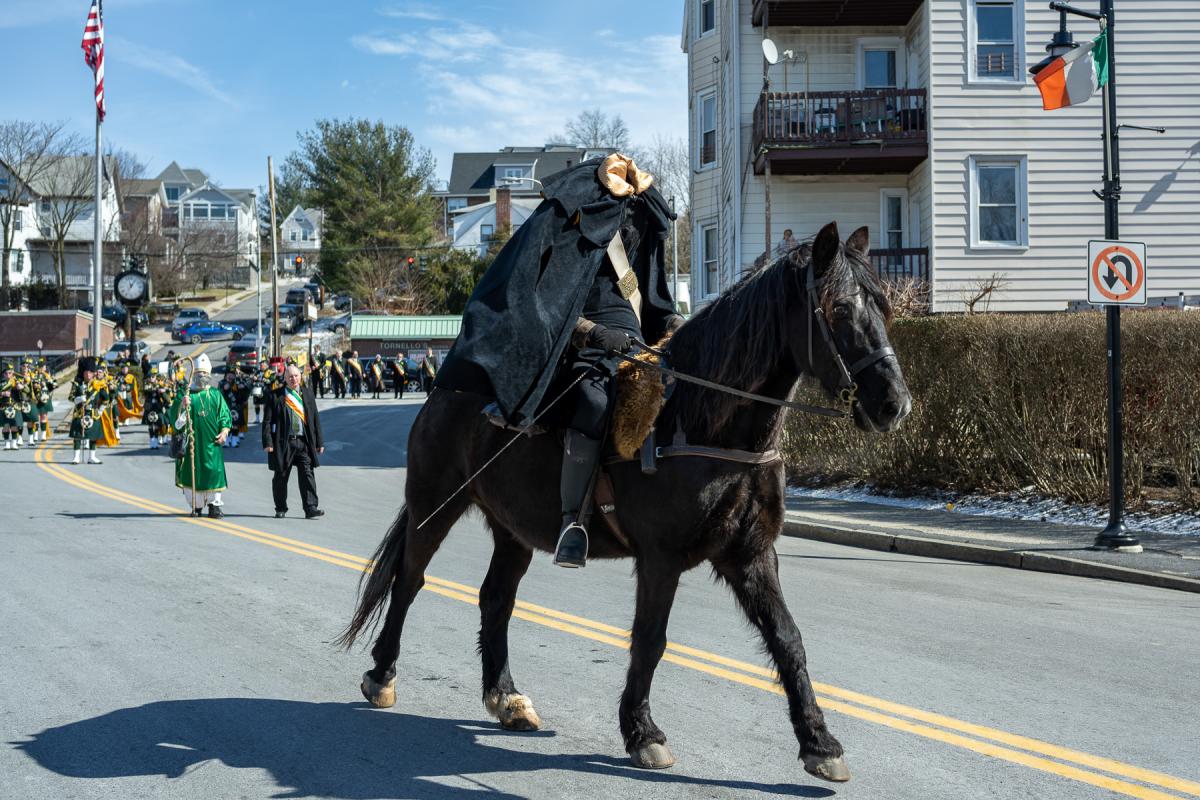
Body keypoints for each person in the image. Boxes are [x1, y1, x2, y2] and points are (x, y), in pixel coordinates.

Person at [436, 154, 681, 568]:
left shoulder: (637, 244)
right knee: (593, 401)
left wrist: (682, 327)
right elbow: (545, 307)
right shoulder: (569, 239)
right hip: (580, 349)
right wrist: (594, 333)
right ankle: (574, 521)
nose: (629, 229)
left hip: (638, 348)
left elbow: (655, 305)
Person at [168, 353, 232, 517]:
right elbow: (176, 422)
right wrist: (182, 406)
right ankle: (196, 506)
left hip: (212, 443)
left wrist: (224, 431)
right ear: (193, 375)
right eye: (199, 373)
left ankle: (214, 505)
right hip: (192, 444)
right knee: (192, 471)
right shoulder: (186, 394)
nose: (202, 376)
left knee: (214, 472)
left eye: (205, 373)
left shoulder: (215, 395)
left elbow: (224, 415)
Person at [262, 363, 324, 519]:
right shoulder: (275, 395)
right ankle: (280, 508)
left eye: (296, 376)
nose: (293, 379)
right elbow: (267, 422)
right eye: (290, 376)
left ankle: (310, 507)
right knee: (280, 477)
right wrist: (268, 442)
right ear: (285, 378)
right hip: (284, 443)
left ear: (300, 376)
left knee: (307, 474)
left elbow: (315, 419)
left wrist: (319, 442)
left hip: (303, 442)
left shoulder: (308, 394)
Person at [67, 357, 109, 463]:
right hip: (79, 412)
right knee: (77, 436)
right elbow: (70, 398)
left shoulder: (99, 385)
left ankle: (92, 457)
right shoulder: (77, 384)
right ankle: (76, 457)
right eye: (86, 372)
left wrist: (100, 411)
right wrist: (79, 399)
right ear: (83, 372)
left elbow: (106, 399)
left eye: (90, 372)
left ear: (94, 373)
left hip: (93, 413)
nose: (88, 375)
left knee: (93, 436)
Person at [1, 361, 27, 450]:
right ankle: (7, 443)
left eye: (10, 373)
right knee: (6, 426)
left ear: (12, 373)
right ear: (3, 374)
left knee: (15, 426)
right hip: (4, 406)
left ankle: (14, 443)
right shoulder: (1, 382)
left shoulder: (16, 380)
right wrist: (3, 393)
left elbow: (25, 390)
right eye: (6, 373)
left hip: (15, 406)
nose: (8, 375)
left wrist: (20, 386)